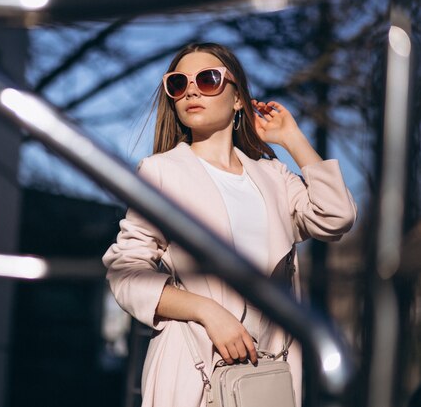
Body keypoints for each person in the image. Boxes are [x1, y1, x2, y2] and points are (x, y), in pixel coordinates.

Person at [102, 42, 357, 407]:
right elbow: (125, 272)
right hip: (192, 371)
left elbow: (337, 216)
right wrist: (207, 311)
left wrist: (291, 138)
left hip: (268, 376)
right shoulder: (161, 173)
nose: (191, 90)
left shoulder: (273, 176)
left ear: (238, 98)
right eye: (178, 83)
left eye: (208, 79)